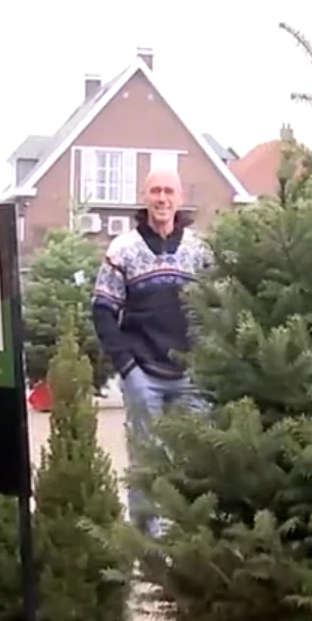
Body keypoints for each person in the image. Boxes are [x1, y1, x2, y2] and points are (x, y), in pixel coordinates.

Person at [91, 169, 212, 536]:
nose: (162, 198)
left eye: (168, 191)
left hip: (192, 375)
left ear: (179, 198)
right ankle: (149, 545)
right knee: (147, 459)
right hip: (143, 373)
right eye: (155, 191)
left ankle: (196, 538)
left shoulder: (199, 251)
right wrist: (127, 368)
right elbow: (102, 310)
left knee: (202, 456)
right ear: (145, 196)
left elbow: (217, 304)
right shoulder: (123, 250)